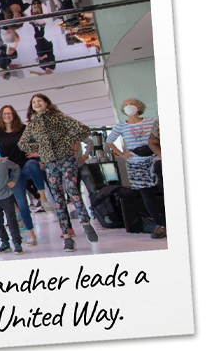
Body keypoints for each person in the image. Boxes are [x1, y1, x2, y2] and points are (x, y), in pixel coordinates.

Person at [18, 94, 99, 252]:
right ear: (32, 107)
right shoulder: (33, 125)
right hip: (50, 163)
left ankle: (85, 222)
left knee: (72, 188)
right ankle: (67, 238)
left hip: (66, 159)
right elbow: (22, 144)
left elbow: (84, 129)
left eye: (39, 101)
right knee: (58, 200)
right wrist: (41, 148)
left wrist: (66, 141)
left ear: (46, 103)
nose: (37, 103)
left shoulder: (60, 117)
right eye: (34, 102)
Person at [0, 105, 55, 246]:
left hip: (26, 165)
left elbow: (40, 142)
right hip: (13, 171)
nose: (7, 116)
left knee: (33, 164)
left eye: (9, 113)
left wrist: (39, 156)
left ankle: (42, 197)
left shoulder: (23, 129)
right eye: (4, 113)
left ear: (14, 115)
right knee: (22, 204)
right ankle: (32, 235)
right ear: (1, 116)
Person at [106, 99, 166, 239]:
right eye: (125, 105)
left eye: (131, 104)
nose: (128, 106)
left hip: (153, 157)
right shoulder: (121, 126)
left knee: (159, 167)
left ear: (139, 106)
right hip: (135, 162)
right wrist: (122, 154)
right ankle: (159, 225)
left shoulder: (152, 121)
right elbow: (109, 141)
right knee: (147, 195)